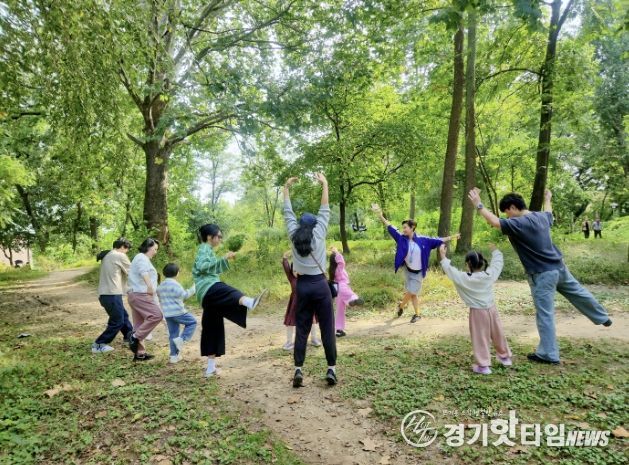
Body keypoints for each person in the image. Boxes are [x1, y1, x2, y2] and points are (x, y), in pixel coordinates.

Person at [468, 187, 613, 365]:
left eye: (507, 212)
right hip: (559, 267)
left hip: (542, 274)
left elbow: (495, 222)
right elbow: (549, 212)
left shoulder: (520, 223)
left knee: (545, 314)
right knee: (579, 293)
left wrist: (478, 204)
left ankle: (549, 354)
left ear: (513, 207)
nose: (507, 216)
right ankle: (602, 316)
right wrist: (547, 198)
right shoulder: (541, 217)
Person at [283, 173, 337, 388]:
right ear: (315, 225)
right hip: (321, 286)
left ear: (299, 225)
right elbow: (325, 209)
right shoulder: (319, 233)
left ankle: (298, 369)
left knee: (302, 328)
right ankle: (331, 369)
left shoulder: (293, 234)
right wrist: (325, 184)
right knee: (327, 327)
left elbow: (287, 212)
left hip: (302, 287)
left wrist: (286, 188)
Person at [193, 224, 267, 378]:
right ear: (209, 237)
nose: (220, 239)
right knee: (226, 290)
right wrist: (224, 258)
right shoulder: (204, 248)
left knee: (212, 327)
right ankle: (249, 302)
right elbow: (202, 266)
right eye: (219, 236)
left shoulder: (208, 250)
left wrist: (224, 259)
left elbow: (211, 268)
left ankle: (210, 368)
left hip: (206, 294)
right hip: (208, 288)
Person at [372, 204, 459, 323]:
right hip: (408, 271)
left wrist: (452, 237)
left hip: (418, 272)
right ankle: (417, 314)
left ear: (412, 227)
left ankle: (401, 306)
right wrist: (380, 215)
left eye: (405, 227)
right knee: (413, 294)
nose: (403, 230)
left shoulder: (423, 240)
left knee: (412, 291)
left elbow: (438, 240)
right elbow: (390, 227)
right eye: (403, 228)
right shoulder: (401, 238)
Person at [439, 243, 512, 374]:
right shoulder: (488, 275)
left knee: (480, 337)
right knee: (498, 333)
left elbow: (450, 271)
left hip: (478, 312)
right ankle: (505, 357)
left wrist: (443, 256)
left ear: (468, 264)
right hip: (492, 309)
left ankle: (483, 366)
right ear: (481, 263)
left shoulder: (464, 278)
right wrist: (495, 251)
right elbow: (497, 265)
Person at [92, 237, 132, 354]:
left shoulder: (108, 255)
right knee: (117, 320)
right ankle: (99, 344)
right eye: (127, 250)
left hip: (106, 294)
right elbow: (132, 272)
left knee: (123, 316)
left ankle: (130, 336)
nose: (126, 253)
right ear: (123, 247)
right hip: (112, 294)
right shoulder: (120, 255)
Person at [127, 238, 162, 361]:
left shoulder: (142, 258)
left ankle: (140, 354)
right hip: (140, 294)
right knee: (157, 315)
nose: (155, 252)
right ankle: (134, 337)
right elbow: (143, 272)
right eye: (155, 249)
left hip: (135, 295)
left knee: (139, 324)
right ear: (148, 247)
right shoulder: (141, 257)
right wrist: (150, 286)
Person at [157, 263, 197, 364]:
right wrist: (193, 288)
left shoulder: (161, 285)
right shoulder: (175, 284)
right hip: (178, 312)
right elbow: (184, 295)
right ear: (177, 273)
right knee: (192, 322)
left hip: (168, 314)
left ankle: (173, 356)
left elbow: (159, 295)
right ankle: (182, 339)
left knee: (173, 334)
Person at [281, 251, 322, 350]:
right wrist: (285, 258)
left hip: (307, 303)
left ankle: (314, 339)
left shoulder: (307, 278)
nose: (296, 272)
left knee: (312, 320)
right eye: (294, 270)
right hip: (294, 304)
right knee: (290, 322)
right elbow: (286, 268)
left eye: (298, 270)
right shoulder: (292, 278)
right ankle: (289, 342)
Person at [329, 246, 364, 337]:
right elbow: (342, 262)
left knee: (340, 310)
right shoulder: (339, 268)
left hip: (337, 290)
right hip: (343, 286)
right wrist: (336, 252)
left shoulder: (332, 270)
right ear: (336, 260)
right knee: (352, 296)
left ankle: (339, 330)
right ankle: (352, 301)